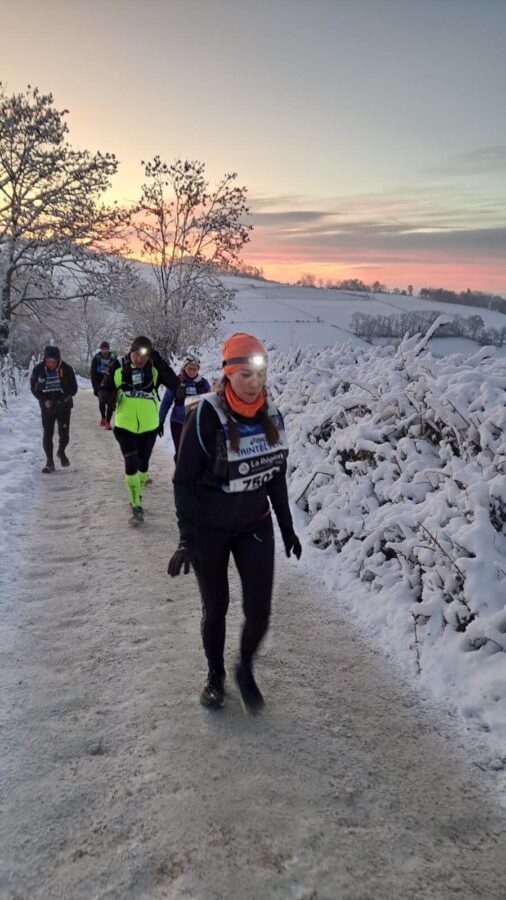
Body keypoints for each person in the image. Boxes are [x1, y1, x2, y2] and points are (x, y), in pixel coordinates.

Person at [168, 332, 302, 713]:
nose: (253, 383)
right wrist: (186, 539)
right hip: (210, 531)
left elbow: (275, 475)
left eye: (259, 374)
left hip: (254, 526)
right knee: (217, 607)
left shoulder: (270, 416)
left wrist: (288, 528)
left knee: (259, 610)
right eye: (244, 374)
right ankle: (215, 676)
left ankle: (244, 667)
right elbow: (183, 483)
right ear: (227, 374)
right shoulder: (205, 416)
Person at [101, 336, 179, 524]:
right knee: (131, 461)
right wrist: (109, 398)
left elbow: (174, 384)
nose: (139, 360)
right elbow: (103, 388)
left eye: (144, 356)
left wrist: (158, 360)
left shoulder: (153, 368)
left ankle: (137, 492)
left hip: (148, 426)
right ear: (131, 351)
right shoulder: (118, 365)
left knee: (143, 466)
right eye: (136, 355)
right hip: (124, 425)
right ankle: (135, 504)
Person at [30, 344, 78, 473]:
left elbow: (74, 389)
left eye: (54, 361)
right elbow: (34, 389)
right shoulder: (38, 369)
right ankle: (49, 462)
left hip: (64, 406)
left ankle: (61, 452)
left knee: (64, 435)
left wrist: (62, 399)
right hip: (47, 407)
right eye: (48, 361)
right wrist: (44, 400)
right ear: (45, 360)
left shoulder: (67, 369)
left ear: (58, 359)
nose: (51, 364)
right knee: (48, 434)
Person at [158, 354, 211, 461]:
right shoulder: (177, 381)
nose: (192, 371)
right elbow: (166, 402)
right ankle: (179, 475)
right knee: (180, 452)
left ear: (198, 369)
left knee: (194, 453)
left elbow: (209, 404)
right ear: (184, 367)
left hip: (195, 424)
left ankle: (192, 476)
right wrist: (160, 421)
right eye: (189, 368)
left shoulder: (203, 383)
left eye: (195, 369)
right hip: (178, 422)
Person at [90, 340, 117, 429]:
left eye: (106, 349)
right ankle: (103, 417)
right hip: (100, 384)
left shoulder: (113, 357)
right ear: (101, 349)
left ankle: (108, 422)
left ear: (109, 349)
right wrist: (95, 387)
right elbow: (92, 373)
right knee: (102, 402)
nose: (105, 351)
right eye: (103, 349)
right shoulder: (96, 358)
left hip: (111, 384)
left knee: (111, 403)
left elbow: (118, 370)